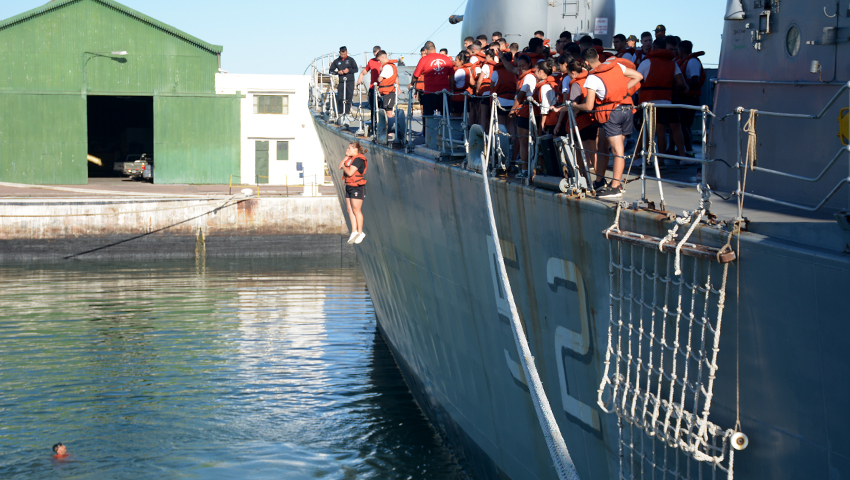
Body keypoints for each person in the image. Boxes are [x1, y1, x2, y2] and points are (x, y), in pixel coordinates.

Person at [572, 47, 643, 197]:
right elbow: (638, 76)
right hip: (627, 111)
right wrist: (623, 90)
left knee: (617, 152)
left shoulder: (592, 77)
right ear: (598, 56)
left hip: (611, 114)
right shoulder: (616, 66)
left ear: (585, 62)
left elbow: (589, 106)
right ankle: (601, 181)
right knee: (610, 148)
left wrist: (575, 106)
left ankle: (615, 186)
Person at [637, 38, 688, 162]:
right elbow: (681, 82)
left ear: (653, 48)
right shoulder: (672, 63)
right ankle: (661, 160)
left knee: (646, 132)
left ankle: (644, 159)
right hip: (666, 101)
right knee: (661, 132)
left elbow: (636, 80)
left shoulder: (646, 62)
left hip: (648, 101)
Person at [509, 54, 537, 178]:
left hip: (525, 111)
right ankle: (529, 169)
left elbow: (521, 95)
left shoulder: (529, 77)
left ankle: (525, 170)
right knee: (526, 141)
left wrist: (513, 109)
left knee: (523, 142)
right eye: (519, 66)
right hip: (525, 111)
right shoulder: (526, 76)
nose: (521, 68)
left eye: (523, 66)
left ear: (529, 64)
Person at [676, 40, 706, 156]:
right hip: (684, 97)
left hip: (690, 98)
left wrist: (685, 86)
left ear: (681, 50)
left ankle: (688, 150)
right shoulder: (686, 61)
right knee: (683, 124)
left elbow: (695, 79)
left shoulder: (692, 62)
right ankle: (685, 149)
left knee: (685, 124)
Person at [410, 41, 453, 116]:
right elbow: (452, 76)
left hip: (429, 93)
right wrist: (451, 89)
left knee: (428, 117)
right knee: (446, 117)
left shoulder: (423, 60)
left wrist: (412, 83)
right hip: (444, 92)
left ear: (426, 50)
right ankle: (445, 128)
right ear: (435, 48)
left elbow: (415, 76)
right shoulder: (446, 59)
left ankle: (428, 128)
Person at [339, 142, 369, 245]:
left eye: (349, 148)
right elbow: (339, 166)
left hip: (357, 187)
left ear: (355, 149)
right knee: (349, 209)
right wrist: (345, 158)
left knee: (356, 210)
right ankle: (354, 231)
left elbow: (350, 172)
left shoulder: (358, 160)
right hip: (349, 186)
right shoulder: (349, 158)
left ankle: (360, 232)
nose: (347, 149)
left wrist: (344, 166)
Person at [357, 46, 383, 128]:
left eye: (378, 53)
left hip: (382, 88)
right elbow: (366, 70)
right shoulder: (371, 61)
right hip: (373, 88)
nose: (377, 55)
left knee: (382, 108)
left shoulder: (384, 61)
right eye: (375, 53)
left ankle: (382, 126)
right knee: (373, 108)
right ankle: (373, 126)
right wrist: (361, 75)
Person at [328, 46, 358, 115]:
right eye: (342, 54)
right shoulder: (337, 61)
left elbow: (356, 69)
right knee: (340, 98)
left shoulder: (351, 60)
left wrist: (349, 70)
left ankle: (347, 112)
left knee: (349, 97)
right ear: (339, 53)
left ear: (346, 52)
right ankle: (341, 112)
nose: (343, 56)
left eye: (344, 54)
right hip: (341, 81)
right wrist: (338, 72)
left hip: (350, 81)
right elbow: (331, 71)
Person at [532, 61, 559, 135]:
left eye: (535, 71)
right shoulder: (555, 81)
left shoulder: (545, 86)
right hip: (558, 117)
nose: (534, 73)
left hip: (551, 120)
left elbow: (545, 107)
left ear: (540, 72)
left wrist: (542, 123)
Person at [375, 50, 398, 123]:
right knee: (387, 112)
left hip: (388, 92)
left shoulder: (387, 67)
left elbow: (379, 79)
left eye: (379, 60)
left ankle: (390, 132)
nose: (379, 62)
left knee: (388, 113)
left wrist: (380, 72)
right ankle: (388, 131)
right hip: (387, 92)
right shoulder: (390, 66)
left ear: (383, 57)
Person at [451, 51, 475, 117]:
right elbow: (472, 83)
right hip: (464, 96)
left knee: (455, 116)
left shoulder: (460, 71)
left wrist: (450, 90)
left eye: (456, 60)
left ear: (461, 61)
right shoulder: (467, 70)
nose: (455, 61)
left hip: (457, 97)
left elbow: (452, 82)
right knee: (463, 116)